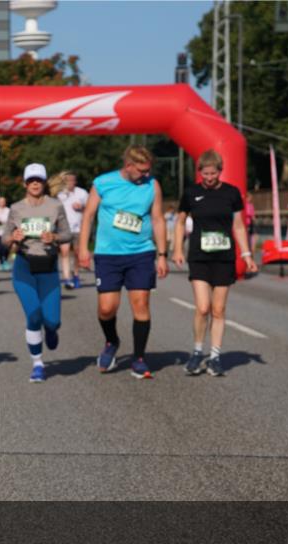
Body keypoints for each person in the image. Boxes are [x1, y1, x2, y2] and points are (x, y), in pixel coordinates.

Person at [78, 145, 168, 379]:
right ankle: (111, 341)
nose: (146, 175)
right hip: (108, 254)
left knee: (141, 306)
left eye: (148, 170)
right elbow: (88, 215)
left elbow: (158, 219)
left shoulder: (152, 185)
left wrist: (162, 254)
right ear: (128, 166)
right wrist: (82, 248)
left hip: (141, 253)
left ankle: (138, 358)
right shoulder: (102, 183)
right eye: (141, 171)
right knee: (107, 308)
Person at [172, 150, 258, 377]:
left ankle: (215, 357)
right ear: (199, 172)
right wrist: (178, 248)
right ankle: (197, 351)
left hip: (224, 257)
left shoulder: (231, 193)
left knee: (218, 310)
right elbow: (180, 222)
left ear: (220, 171)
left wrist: (247, 255)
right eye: (205, 174)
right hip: (199, 256)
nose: (209, 178)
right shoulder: (191, 193)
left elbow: (239, 226)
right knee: (203, 308)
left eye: (213, 173)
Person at [2, 164, 71, 382]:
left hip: (48, 267)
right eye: (31, 180)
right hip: (24, 267)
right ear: (25, 183)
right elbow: (3, 240)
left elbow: (67, 233)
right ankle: (38, 364)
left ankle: (51, 330)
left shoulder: (55, 206)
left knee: (52, 321)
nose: (34, 183)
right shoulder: (16, 208)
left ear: (43, 183)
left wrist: (55, 238)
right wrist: (13, 237)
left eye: (38, 180)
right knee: (33, 315)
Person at [56, 171, 88, 289]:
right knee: (64, 252)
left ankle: (76, 275)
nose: (70, 183)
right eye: (67, 180)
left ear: (75, 181)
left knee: (76, 253)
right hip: (63, 228)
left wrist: (82, 207)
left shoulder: (82, 193)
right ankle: (67, 278)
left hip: (78, 228)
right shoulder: (59, 194)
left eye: (72, 180)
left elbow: (89, 210)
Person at [0, 195, 11, 269]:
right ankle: (1, 263)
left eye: (3, 201)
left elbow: (10, 221)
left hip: (6, 232)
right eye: (0, 201)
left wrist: (3, 222)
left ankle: (5, 260)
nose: (1, 203)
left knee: (6, 248)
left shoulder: (8, 210)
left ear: (5, 202)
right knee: (0, 248)